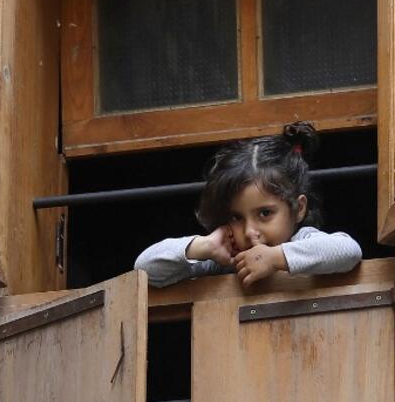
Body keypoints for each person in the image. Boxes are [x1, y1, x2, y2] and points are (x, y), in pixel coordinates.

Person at [134, 122, 362, 288]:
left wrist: (275, 258)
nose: (249, 232)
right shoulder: (227, 261)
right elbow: (144, 270)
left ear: (299, 208)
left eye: (265, 213)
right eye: (236, 217)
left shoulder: (303, 240)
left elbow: (349, 251)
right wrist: (203, 246)